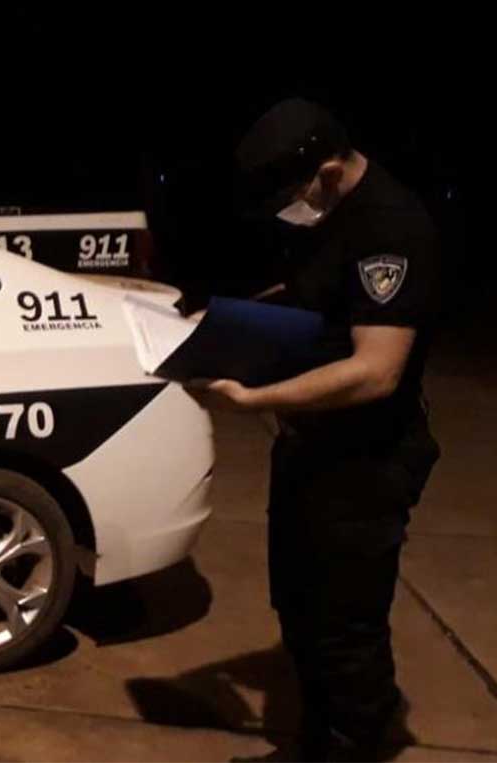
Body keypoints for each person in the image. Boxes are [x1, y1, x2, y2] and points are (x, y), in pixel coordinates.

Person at [188, 98, 441, 761]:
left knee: (345, 629)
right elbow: (312, 295)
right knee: (300, 608)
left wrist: (254, 399)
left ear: (328, 172)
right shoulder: (330, 217)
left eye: (289, 196)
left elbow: (376, 370)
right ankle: (314, 744)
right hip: (312, 448)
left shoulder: (389, 225)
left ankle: (357, 743)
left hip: (367, 462)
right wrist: (219, 321)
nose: (286, 211)